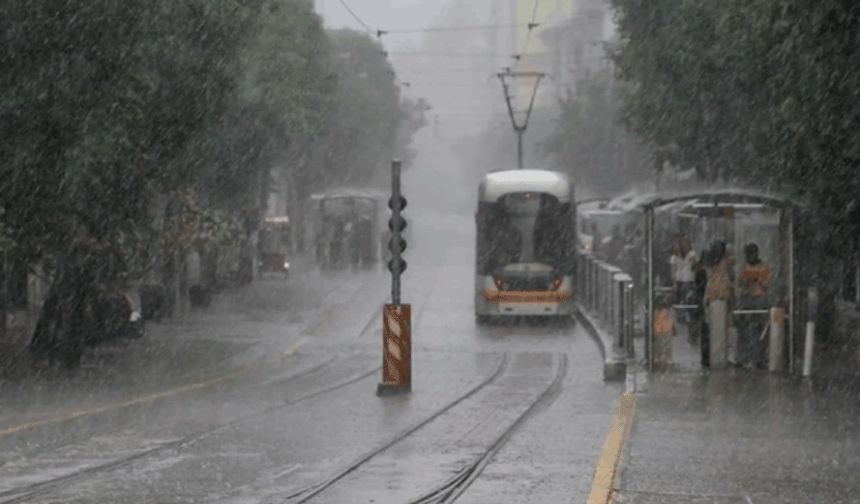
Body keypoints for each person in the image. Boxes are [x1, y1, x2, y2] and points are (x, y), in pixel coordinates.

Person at [736, 243, 772, 369]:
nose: (747, 257)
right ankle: (742, 358)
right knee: (743, 328)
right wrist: (750, 281)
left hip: (759, 300)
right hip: (746, 299)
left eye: (749, 254)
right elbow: (740, 282)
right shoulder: (744, 267)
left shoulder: (763, 267)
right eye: (746, 254)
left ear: (755, 254)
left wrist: (754, 280)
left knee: (758, 329)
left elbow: (765, 284)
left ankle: (759, 358)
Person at [703, 240, 734, 369]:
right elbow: (732, 276)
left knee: (713, 330)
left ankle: (714, 358)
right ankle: (721, 358)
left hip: (711, 296)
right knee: (723, 331)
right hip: (722, 297)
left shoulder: (708, 263)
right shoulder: (727, 262)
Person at [670, 235, 699, 329]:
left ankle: (690, 317)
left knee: (690, 300)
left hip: (689, 281)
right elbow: (673, 271)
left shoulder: (691, 255)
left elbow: (695, 267)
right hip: (680, 280)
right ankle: (680, 316)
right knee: (677, 299)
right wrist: (675, 282)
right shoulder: (676, 257)